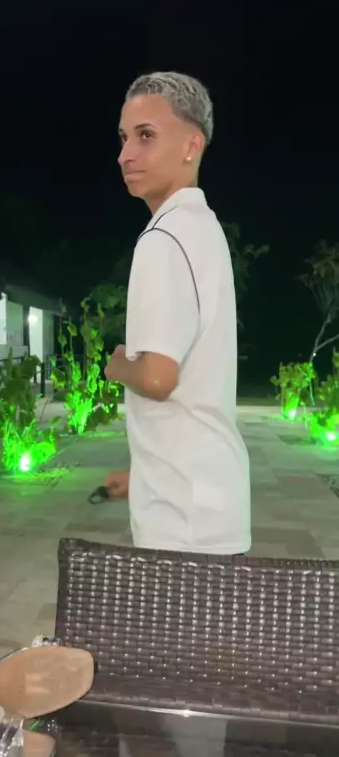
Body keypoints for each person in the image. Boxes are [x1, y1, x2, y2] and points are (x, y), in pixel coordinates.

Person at [104, 71, 251, 559]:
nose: (126, 154)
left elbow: (158, 377)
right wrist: (143, 477)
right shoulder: (202, 227)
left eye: (146, 136)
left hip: (181, 518)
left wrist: (117, 364)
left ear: (192, 146)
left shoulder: (163, 238)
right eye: (124, 137)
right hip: (207, 498)